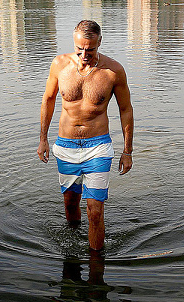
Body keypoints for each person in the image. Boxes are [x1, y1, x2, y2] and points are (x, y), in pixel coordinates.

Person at [37, 19, 134, 250]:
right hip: (66, 145)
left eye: (90, 49)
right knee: (70, 204)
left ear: (100, 42)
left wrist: (127, 151)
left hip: (98, 147)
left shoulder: (114, 71)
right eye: (80, 48)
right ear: (74, 42)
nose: (84, 54)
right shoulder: (59, 65)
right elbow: (48, 100)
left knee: (95, 211)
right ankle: (73, 249)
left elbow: (125, 109)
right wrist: (43, 139)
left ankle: (95, 268)